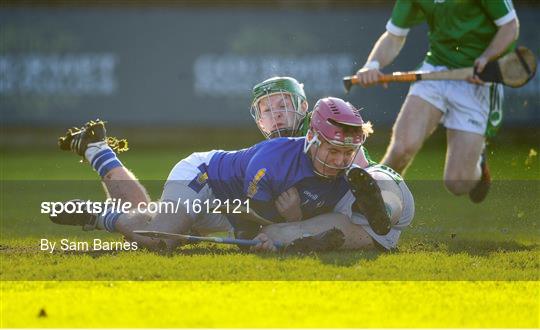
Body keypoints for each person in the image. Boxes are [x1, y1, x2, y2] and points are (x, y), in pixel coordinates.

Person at [50, 97, 390, 252]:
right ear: (312, 139)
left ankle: (99, 150)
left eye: (347, 152)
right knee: (161, 238)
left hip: (238, 205)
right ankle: (100, 215)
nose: (339, 160)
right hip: (206, 180)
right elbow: (250, 223)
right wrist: (293, 219)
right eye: (332, 149)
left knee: (151, 220)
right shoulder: (272, 161)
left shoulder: (353, 163)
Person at [354, 0, 519, 203]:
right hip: (437, 68)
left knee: (457, 183)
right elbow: (394, 36)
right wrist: (372, 64)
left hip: (478, 77)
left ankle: (479, 162)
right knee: (402, 148)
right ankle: (375, 203)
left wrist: (486, 58)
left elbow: (510, 26)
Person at [247, 77, 414, 252]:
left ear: (302, 106)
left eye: (282, 105)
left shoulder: (322, 123)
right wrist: (293, 215)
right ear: (260, 120)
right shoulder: (270, 154)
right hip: (348, 222)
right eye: (267, 109)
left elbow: (358, 166)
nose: (276, 114)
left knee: (378, 179)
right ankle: (317, 242)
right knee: (271, 234)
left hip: (375, 197)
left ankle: (382, 211)